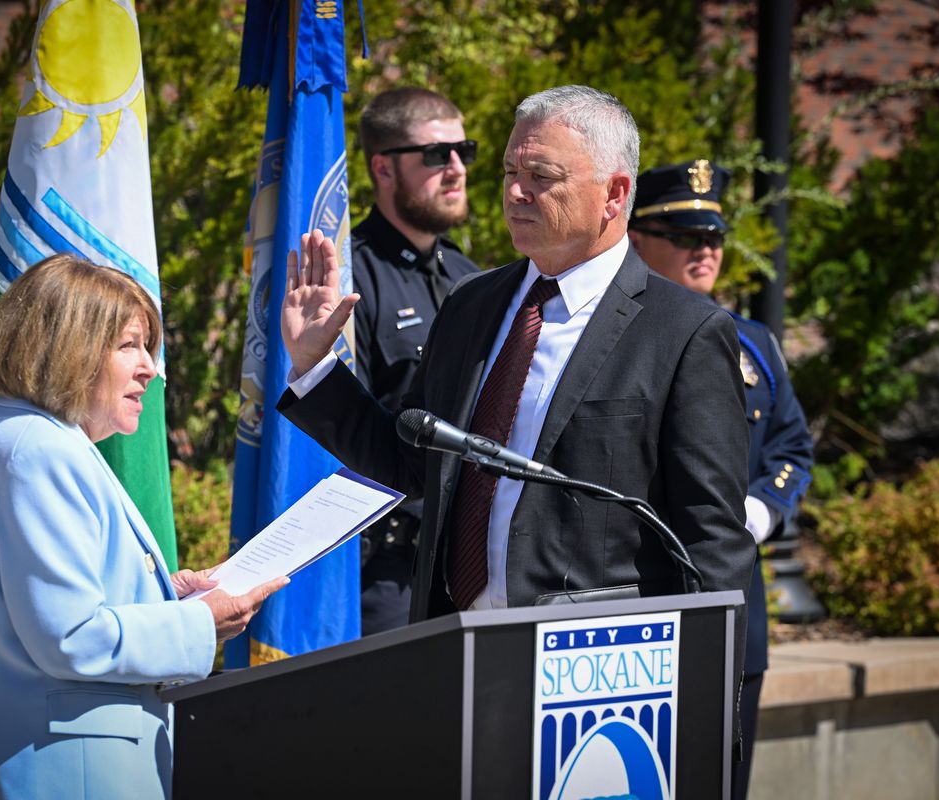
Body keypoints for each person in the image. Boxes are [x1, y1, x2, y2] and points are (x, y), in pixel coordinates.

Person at [277, 86, 754, 673]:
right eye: (508, 170)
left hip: (596, 675)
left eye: (541, 175)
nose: (514, 191)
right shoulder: (472, 303)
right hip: (453, 646)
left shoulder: (683, 332)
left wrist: (700, 704)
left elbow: (711, 541)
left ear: (614, 194)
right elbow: (411, 462)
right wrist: (313, 366)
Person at [0, 255, 287, 799]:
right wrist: (197, 623)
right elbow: (69, 637)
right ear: (69, 346)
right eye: (129, 345)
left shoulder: (23, 437)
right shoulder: (38, 450)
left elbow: (51, 606)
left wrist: (169, 594)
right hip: (60, 773)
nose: (150, 369)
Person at [629, 159, 814, 800]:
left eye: (713, 237)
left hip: (736, 607)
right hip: (641, 600)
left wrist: (761, 511)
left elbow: (792, 444)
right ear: (634, 236)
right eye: (685, 236)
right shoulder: (617, 335)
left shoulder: (754, 341)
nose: (705, 249)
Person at [351, 87, 480, 634]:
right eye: (435, 154)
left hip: (469, 568)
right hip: (386, 575)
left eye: (464, 151)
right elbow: (342, 434)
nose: (455, 169)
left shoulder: (470, 278)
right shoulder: (349, 277)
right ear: (383, 167)